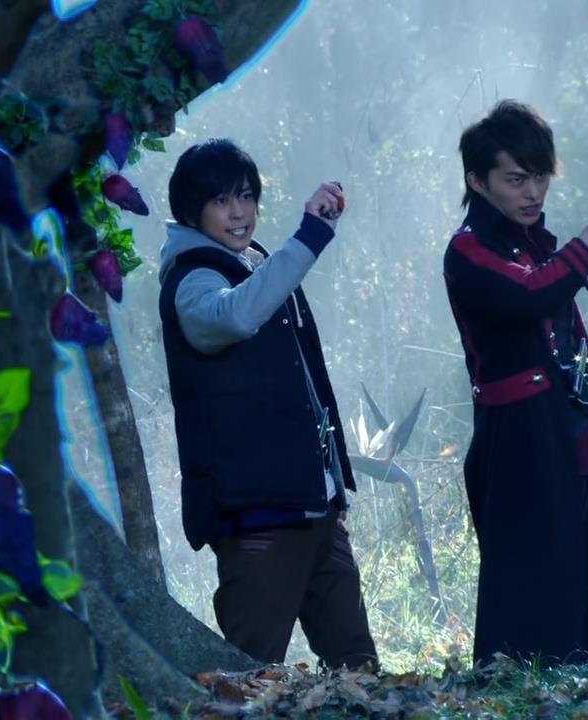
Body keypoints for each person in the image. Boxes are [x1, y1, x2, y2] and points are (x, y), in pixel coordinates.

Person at [442, 100, 588, 667]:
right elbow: (534, 293)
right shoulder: (468, 250)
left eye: (540, 177)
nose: (533, 192)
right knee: (538, 621)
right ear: (477, 181)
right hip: (522, 445)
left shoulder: (531, 243)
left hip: (577, 433)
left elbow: (548, 291)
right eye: (516, 179)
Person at [157, 138, 377, 670]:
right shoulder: (192, 277)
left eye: (246, 196)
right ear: (191, 210)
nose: (239, 212)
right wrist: (309, 236)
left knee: (359, 669)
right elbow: (234, 316)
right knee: (248, 677)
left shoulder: (252, 263)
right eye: (221, 200)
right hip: (256, 518)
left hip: (316, 506)